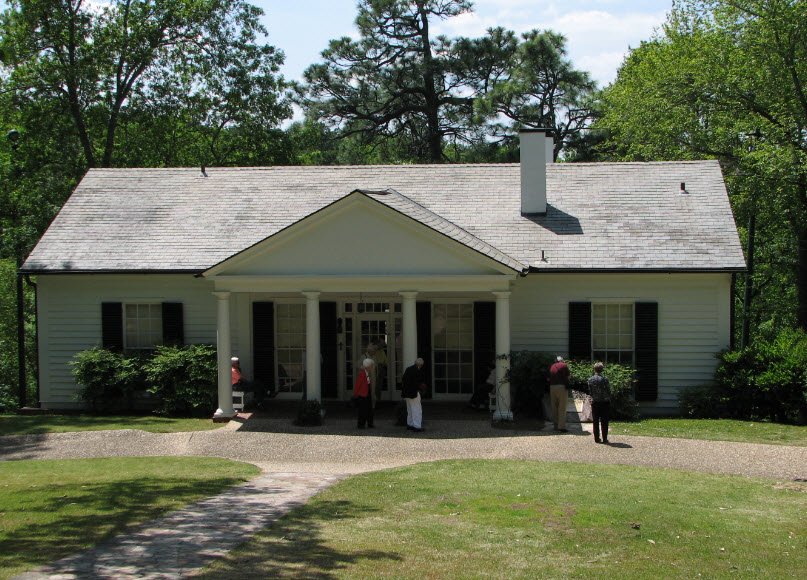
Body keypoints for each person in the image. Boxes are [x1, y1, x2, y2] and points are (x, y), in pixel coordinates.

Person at [587, 362, 611, 444]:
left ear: (594, 369)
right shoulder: (605, 379)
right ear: (602, 369)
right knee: (604, 421)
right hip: (604, 402)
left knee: (595, 421)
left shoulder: (590, 380)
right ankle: (605, 438)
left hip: (595, 402)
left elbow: (590, 392)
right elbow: (608, 391)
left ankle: (596, 438)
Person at [401, 358, 426, 432]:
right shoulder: (417, 371)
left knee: (410, 409)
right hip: (414, 393)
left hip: (406, 393)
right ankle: (417, 426)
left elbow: (403, 379)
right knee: (417, 409)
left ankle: (410, 424)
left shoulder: (408, 369)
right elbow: (418, 383)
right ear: (420, 365)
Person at [548, 355, 570, 432]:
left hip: (552, 387)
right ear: (562, 360)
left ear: (556, 360)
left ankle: (555, 425)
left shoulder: (552, 366)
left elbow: (549, 377)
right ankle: (562, 427)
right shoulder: (564, 365)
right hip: (561, 387)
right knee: (562, 407)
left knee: (554, 407)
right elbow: (568, 375)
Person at [354, 358, 375, 429]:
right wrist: (355, 394)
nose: (372, 367)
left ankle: (370, 423)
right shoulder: (362, 373)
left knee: (369, 409)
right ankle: (361, 424)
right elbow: (357, 385)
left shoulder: (367, 373)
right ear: (368, 366)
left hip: (367, 393)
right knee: (362, 410)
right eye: (371, 366)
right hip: (362, 394)